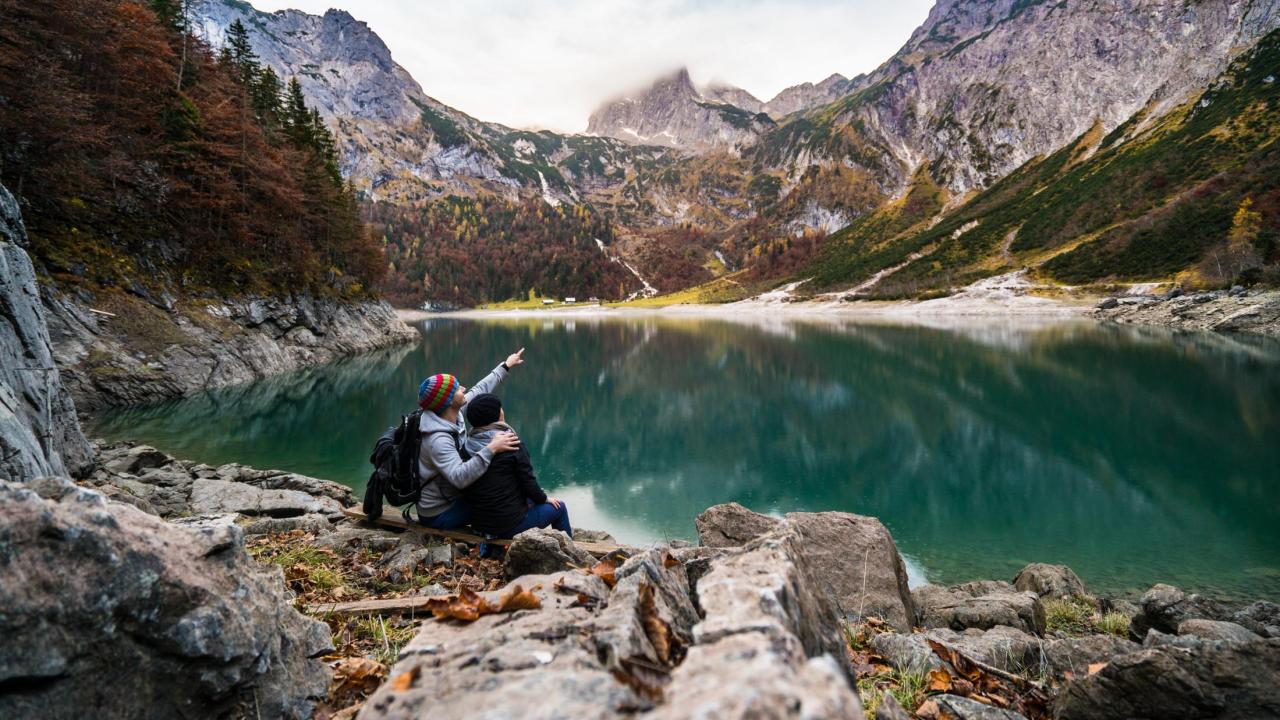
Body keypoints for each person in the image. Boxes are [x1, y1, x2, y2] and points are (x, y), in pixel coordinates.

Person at [415, 349, 525, 529]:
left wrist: (506, 365)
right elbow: (459, 477)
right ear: (449, 400)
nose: (464, 389)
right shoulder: (437, 440)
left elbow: (480, 389)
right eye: (458, 388)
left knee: (503, 494)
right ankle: (494, 543)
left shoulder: (452, 412)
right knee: (502, 503)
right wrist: (492, 448)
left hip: (452, 496)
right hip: (440, 512)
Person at [461, 393, 571, 540]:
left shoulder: (467, 445)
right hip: (507, 526)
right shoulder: (511, 444)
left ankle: (491, 548)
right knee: (559, 507)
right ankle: (571, 553)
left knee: (528, 499)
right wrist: (544, 499)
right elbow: (528, 482)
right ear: (498, 414)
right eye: (500, 408)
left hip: (479, 525)